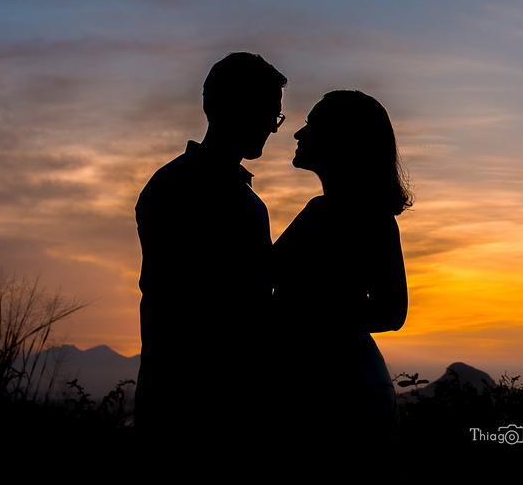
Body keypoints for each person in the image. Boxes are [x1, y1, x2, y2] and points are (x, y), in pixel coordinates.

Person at [134, 52, 287, 458]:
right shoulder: (175, 188)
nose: (272, 128)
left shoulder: (253, 204)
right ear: (222, 106)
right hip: (186, 414)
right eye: (267, 112)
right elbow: (184, 307)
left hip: (239, 412)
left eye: (277, 117)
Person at [271, 90, 411, 469]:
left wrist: (311, 313)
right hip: (311, 388)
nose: (298, 135)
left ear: (342, 140)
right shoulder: (317, 210)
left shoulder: (374, 219)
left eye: (311, 126)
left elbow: (391, 311)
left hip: (349, 392)